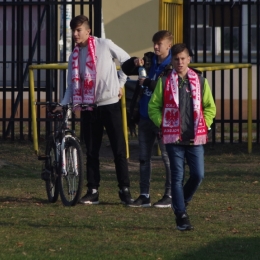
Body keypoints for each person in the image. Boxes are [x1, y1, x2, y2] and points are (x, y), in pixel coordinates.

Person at [56, 15, 133, 206]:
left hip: (110, 104)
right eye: (73, 30)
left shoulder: (104, 45)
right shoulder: (73, 55)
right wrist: (64, 104)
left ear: (88, 31)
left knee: (118, 149)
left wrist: (121, 83)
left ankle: (124, 190)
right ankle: (93, 190)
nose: (75, 34)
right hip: (88, 107)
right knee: (91, 151)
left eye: (78, 30)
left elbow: (127, 61)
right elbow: (70, 86)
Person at [148, 43, 216, 230]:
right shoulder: (164, 82)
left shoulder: (200, 81)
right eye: (176, 59)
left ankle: (181, 201)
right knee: (177, 176)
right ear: (172, 60)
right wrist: (163, 123)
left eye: (183, 58)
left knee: (198, 174)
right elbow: (153, 107)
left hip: (195, 138)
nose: (179, 62)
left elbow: (210, 107)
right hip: (173, 138)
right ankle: (181, 216)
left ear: (189, 59)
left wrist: (206, 123)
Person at [121, 30, 173, 208]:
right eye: (154, 43)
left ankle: (170, 194)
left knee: (168, 158)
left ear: (169, 45)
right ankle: (144, 195)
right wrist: (134, 62)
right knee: (144, 158)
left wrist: (149, 83)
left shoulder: (174, 63)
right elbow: (126, 69)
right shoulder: (149, 60)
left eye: (160, 44)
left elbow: (171, 88)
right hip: (144, 116)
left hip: (165, 119)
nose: (156, 47)